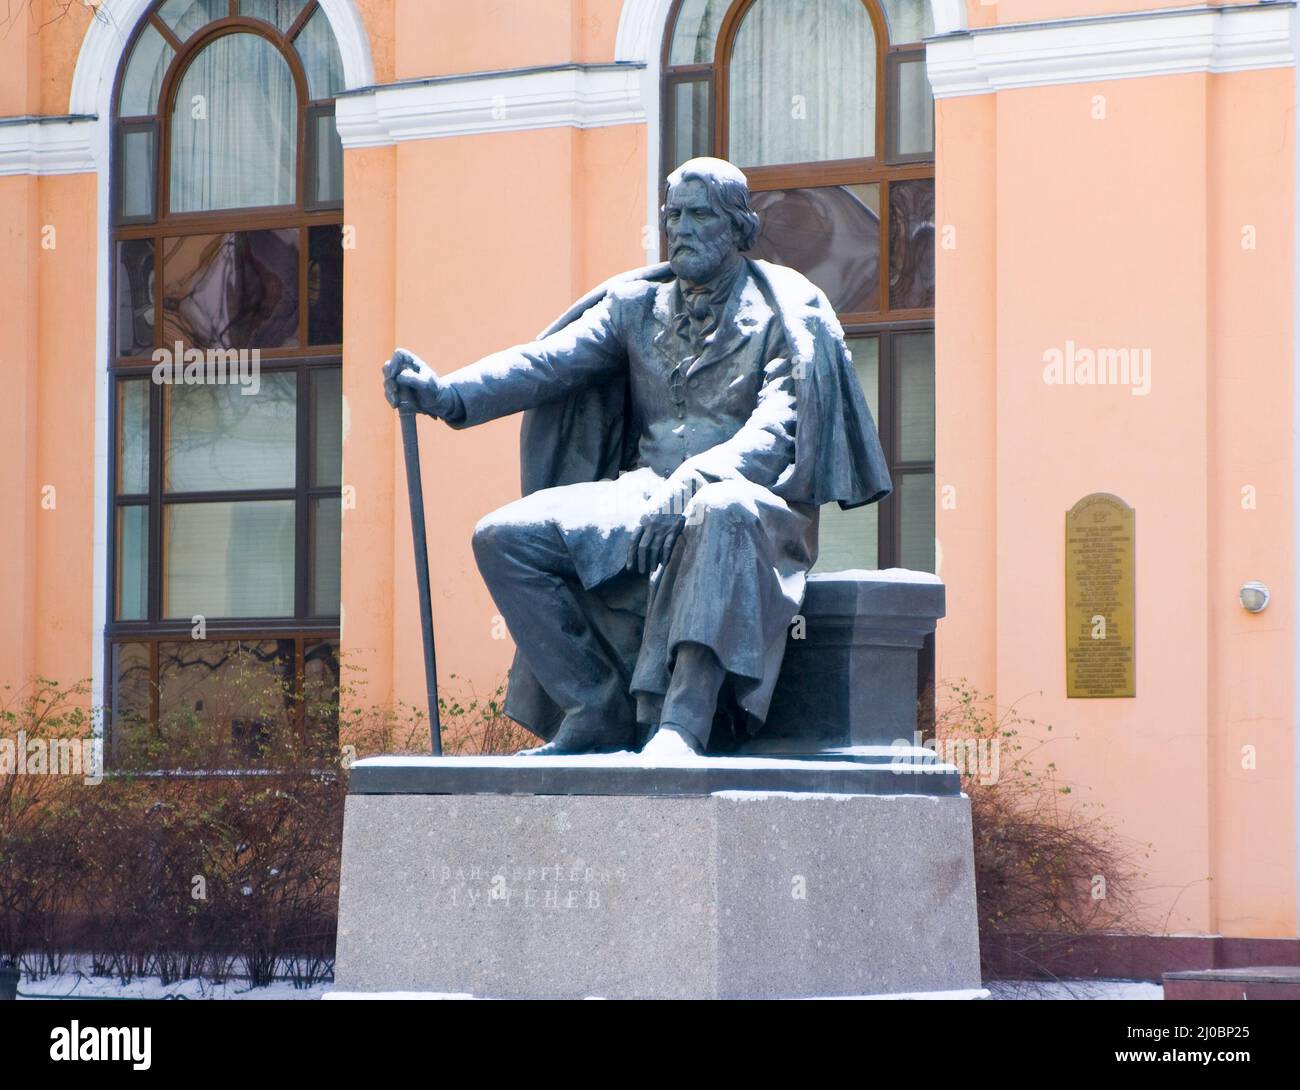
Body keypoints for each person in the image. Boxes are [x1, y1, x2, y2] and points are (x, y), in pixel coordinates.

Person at [383, 157, 890, 758]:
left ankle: (683, 724)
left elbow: (778, 426)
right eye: (673, 215)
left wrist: (698, 477)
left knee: (718, 508)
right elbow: (545, 363)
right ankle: (594, 706)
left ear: (738, 227)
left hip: (754, 506)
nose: (682, 229)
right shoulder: (633, 308)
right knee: (504, 537)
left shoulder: (783, 312)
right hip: (643, 491)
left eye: (700, 215)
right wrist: (448, 393)